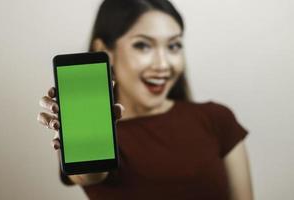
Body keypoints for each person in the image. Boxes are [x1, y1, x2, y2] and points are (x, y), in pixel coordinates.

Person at [38, 0, 253, 199]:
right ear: (104, 50)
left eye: (174, 45)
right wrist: (78, 133)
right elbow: (90, 175)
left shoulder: (217, 119)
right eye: (143, 45)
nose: (162, 64)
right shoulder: (99, 139)